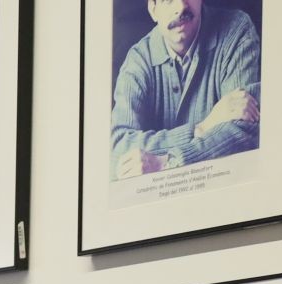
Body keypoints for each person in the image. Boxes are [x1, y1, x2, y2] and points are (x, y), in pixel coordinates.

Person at [111, 0, 262, 179]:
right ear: (153, 9)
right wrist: (202, 127)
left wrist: (166, 164)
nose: (181, 7)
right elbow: (119, 149)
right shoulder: (137, 61)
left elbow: (246, 130)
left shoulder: (236, 30)